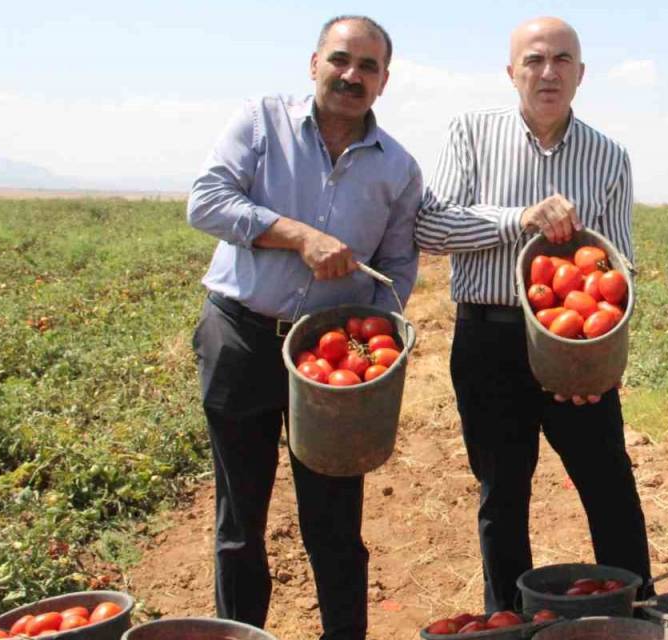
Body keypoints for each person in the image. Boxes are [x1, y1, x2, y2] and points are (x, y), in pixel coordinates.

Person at [187, 15, 421, 640]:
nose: (351, 75)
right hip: (240, 335)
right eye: (340, 60)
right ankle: (239, 634)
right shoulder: (259, 122)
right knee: (240, 519)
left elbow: (397, 267)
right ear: (314, 63)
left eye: (367, 66)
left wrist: (376, 341)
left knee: (335, 520)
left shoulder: (398, 167)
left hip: (332, 355)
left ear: (384, 81)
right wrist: (297, 235)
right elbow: (206, 202)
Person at [415, 16, 652, 613]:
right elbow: (432, 227)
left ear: (581, 73)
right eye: (534, 60)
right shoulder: (471, 133)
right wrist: (517, 218)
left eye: (562, 60)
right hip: (488, 340)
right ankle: (508, 620)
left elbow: (618, 267)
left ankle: (635, 613)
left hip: (574, 340)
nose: (549, 72)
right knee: (502, 493)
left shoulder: (608, 156)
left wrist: (596, 359)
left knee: (609, 484)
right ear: (511, 71)